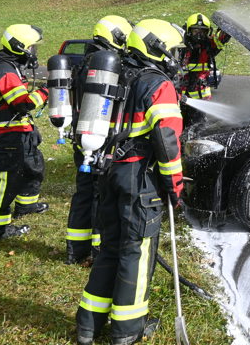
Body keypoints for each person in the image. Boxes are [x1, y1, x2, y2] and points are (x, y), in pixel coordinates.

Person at [76, 19, 186, 345]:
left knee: (109, 248)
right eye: (174, 51)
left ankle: (87, 326)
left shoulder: (116, 74)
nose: (176, 58)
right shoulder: (158, 85)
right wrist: (175, 187)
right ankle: (127, 330)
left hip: (107, 172)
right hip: (138, 180)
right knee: (135, 254)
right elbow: (167, 142)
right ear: (157, 48)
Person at [66, 15, 133, 265]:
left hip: (81, 137)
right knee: (99, 196)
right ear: (115, 37)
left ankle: (74, 249)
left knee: (83, 194)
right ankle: (98, 251)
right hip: (100, 140)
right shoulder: (109, 66)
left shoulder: (83, 63)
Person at [0, 24, 50, 243]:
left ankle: (26, 205)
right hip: (8, 134)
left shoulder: (12, 67)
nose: (34, 52)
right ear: (19, 47)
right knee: (7, 180)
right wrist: (48, 90)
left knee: (33, 167)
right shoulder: (4, 70)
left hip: (21, 130)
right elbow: (23, 103)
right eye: (31, 47)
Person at [180, 12, 230, 102]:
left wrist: (225, 26)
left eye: (202, 32)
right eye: (195, 31)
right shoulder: (180, 45)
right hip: (180, 94)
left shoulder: (209, 45)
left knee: (198, 116)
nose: (199, 35)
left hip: (201, 96)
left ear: (207, 32)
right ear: (189, 31)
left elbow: (221, 38)